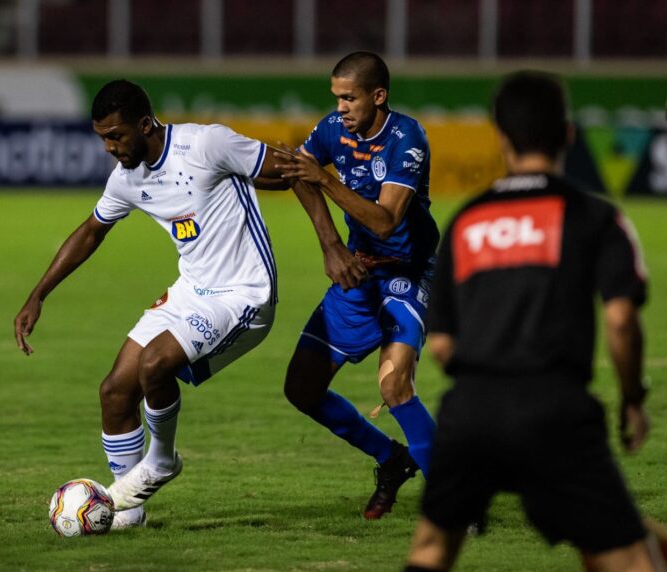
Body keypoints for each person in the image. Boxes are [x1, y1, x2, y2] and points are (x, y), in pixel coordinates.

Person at [404, 71, 661, 571]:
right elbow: (622, 318)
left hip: (470, 412)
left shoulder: (467, 220)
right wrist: (632, 399)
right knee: (631, 559)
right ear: (567, 133)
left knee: (432, 550)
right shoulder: (593, 216)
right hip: (555, 410)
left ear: (500, 136)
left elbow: (440, 344)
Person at [14, 79, 281, 529]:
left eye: (116, 135)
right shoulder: (126, 179)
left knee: (155, 365)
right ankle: (129, 512)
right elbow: (90, 232)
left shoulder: (206, 144)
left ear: (144, 124)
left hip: (244, 293)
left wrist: (331, 243)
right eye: (102, 138)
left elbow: (290, 169)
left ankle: (160, 461)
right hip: (191, 289)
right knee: (115, 391)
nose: (109, 147)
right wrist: (38, 294)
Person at [272, 51, 439, 520]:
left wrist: (323, 178)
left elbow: (385, 221)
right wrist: (331, 245)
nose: (340, 107)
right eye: (336, 98)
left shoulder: (406, 138)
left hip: (406, 273)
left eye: (349, 98)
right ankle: (392, 460)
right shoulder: (332, 129)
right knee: (301, 389)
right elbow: (296, 172)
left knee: (395, 386)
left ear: (378, 96)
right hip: (359, 271)